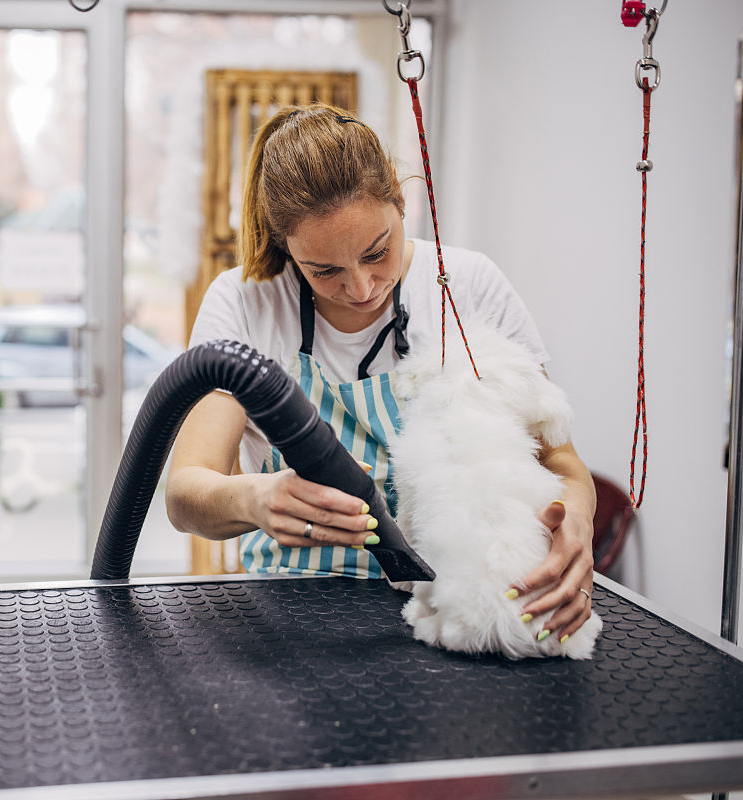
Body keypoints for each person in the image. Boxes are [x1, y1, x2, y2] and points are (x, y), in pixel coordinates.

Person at [165, 103, 597, 643]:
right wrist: (253, 499)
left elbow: (560, 461)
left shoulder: (468, 285)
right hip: (288, 604)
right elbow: (185, 493)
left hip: (449, 605)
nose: (362, 287)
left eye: (377, 252)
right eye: (324, 270)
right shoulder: (245, 303)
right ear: (284, 246)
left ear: (400, 200)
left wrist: (576, 520)